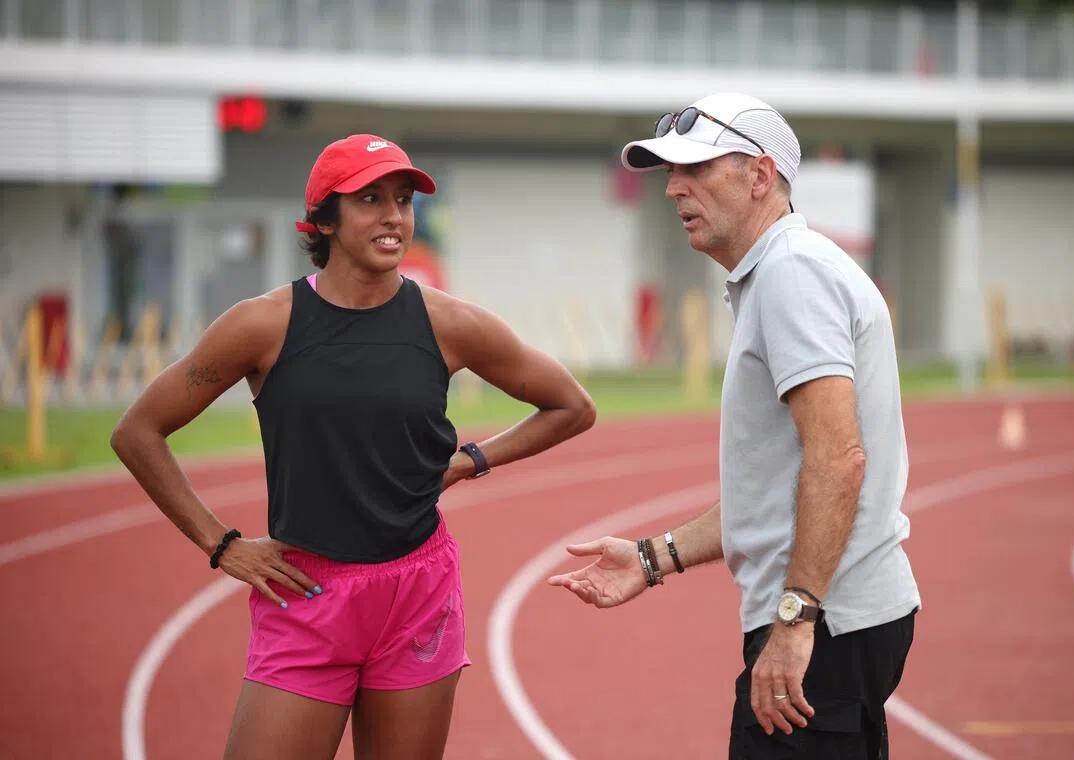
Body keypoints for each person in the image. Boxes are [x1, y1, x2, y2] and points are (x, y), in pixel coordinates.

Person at [111, 133, 597, 760]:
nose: (394, 216)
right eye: (370, 199)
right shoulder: (262, 324)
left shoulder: (449, 324)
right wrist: (221, 543)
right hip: (305, 591)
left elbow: (571, 408)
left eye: (402, 199)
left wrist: (471, 461)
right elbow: (138, 432)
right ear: (325, 220)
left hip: (417, 591)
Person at [548, 93, 921, 759]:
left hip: (826, 624)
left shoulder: (791, 273)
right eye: (669, 173)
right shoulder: (783, 270)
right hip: (843, 620)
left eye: (696, 169)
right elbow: (776, 492)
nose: (675, 189)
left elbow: (838, 459)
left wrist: (796, 619)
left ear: (760, 176)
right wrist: (650, 557)